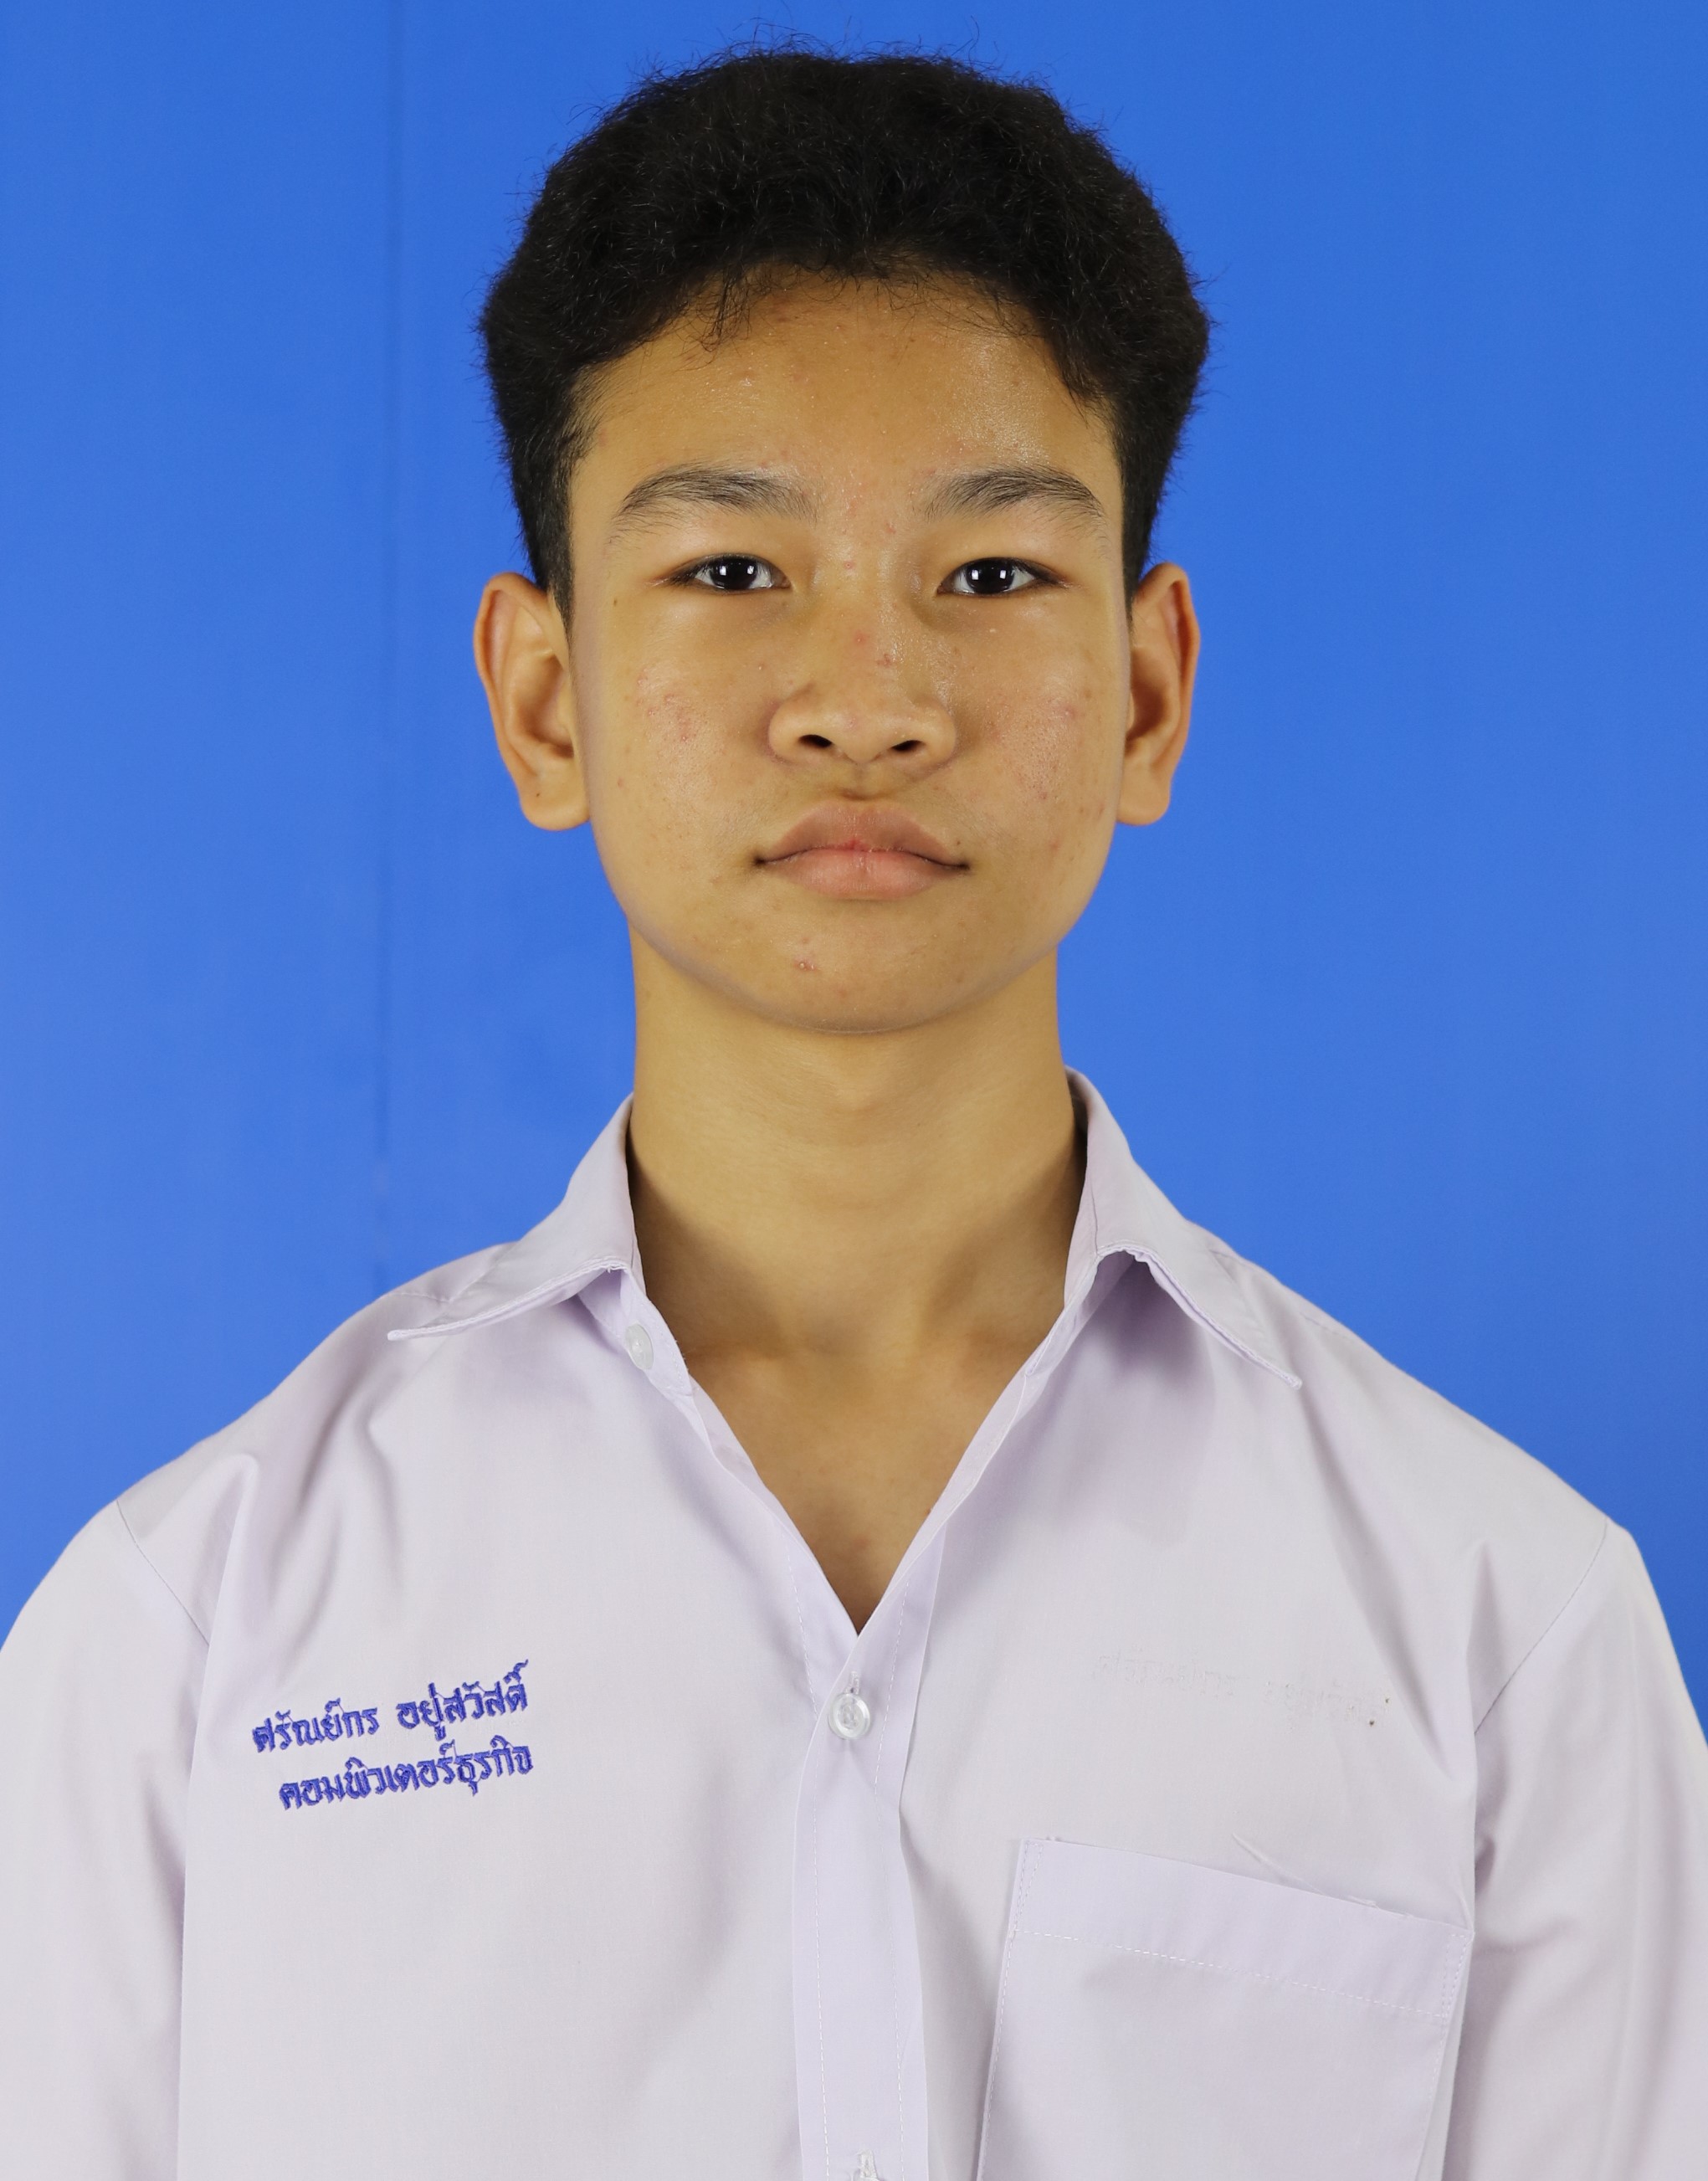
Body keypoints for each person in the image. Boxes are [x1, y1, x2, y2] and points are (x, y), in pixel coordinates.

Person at [1, 46, 1703, 2181]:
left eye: (989, 576)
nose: (868, 701)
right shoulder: (188, 1639)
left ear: (1149, 690)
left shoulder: (1503, 1637)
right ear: (543, 697)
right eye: (732, 570)